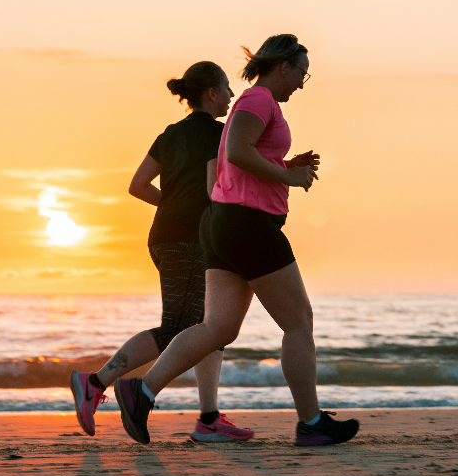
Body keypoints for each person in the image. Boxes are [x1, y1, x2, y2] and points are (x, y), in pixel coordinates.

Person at [114, 34, 359, 446]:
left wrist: (282, 162)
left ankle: (142, 390)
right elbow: (239, 153)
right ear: (284, 67)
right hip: (248, 225)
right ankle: (311, 423)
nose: (302, 82)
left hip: (223, 224)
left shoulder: (252, 102)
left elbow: (242, 159)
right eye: (302, 72)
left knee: (217, 328)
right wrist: (288, 176)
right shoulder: (258, 100)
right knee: (298, 322)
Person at [70, 61, 254, 442]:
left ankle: (209, 418)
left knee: (209, 326)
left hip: (167, 235)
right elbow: (210, 189)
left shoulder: (169, 135)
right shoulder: (218, 135)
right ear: (211, 93)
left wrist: (170, 206)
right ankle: (96, 382)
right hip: (189, 239)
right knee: (179, 326)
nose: (232, 96)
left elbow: (138, 185)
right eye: (226, 88)